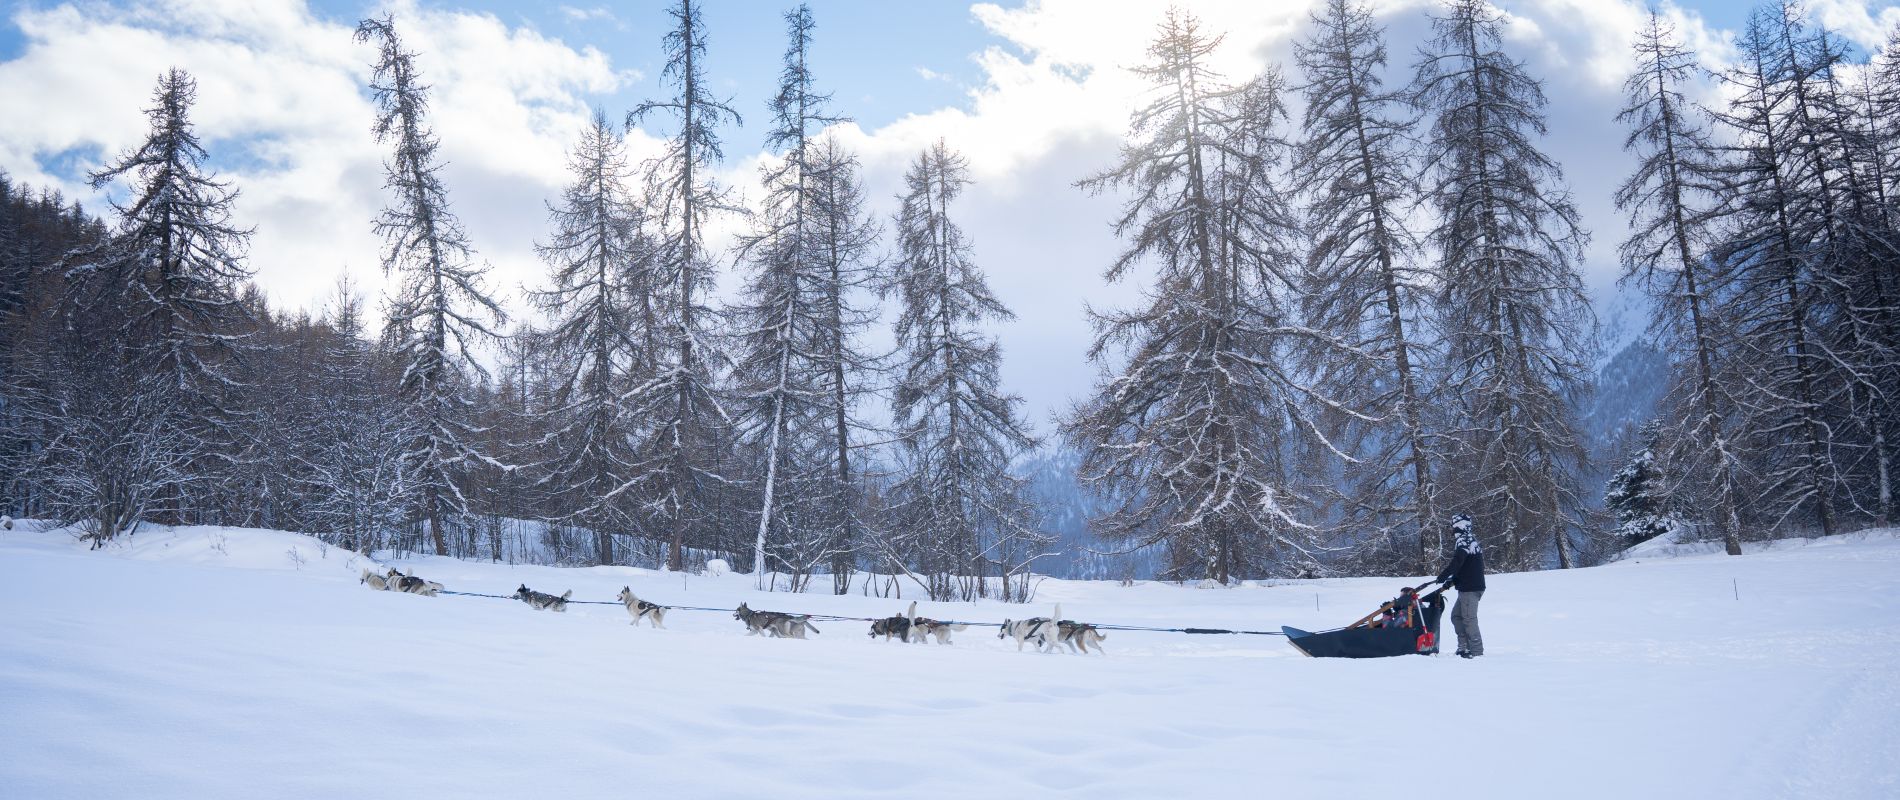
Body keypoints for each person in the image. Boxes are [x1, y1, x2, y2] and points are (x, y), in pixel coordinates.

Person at [1435, 514, 1486, 658]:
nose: (1452, 529)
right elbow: (1464, 567)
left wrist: (1444, 574)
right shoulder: (1468, 541)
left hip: (1471, 588)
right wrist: (1450, 582)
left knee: (1469, 619)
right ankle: (1463, 647)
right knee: (1456, 616)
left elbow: (1458, 562)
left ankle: (1476, 652)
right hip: (1467, 587)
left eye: (1454, 526)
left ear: (1460, 526)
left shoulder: (1465, 540)